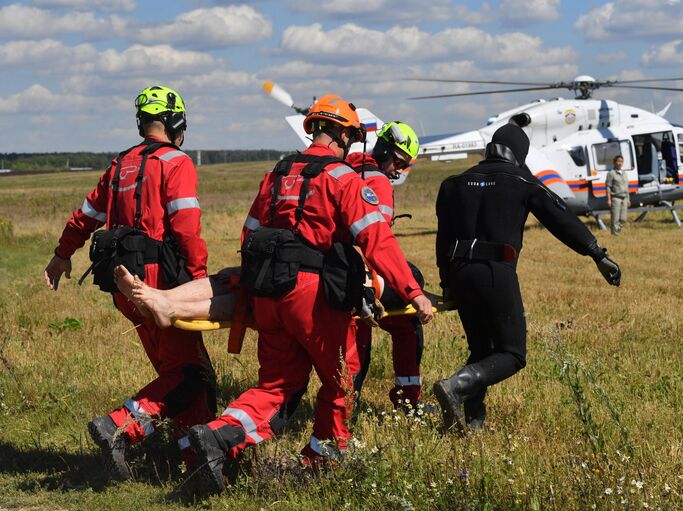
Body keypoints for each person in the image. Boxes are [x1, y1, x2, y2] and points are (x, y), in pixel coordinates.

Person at [187, 94, 433, 493]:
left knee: (276, 385)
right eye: (351, 138)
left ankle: (219, 435)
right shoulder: (342, 178)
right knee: (341, 378)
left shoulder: (279, 172)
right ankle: (324, 460)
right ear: (342, 135)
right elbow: (376, 239)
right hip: (313, 294)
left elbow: (249, 233)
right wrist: (413, 292)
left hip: (267, 292)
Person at [43, 85, 216, 480]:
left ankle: (193, 457)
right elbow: (187, 228)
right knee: (191, 375)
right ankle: (119, 427)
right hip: (160, 286)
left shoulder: (118, 165)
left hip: (123, 287)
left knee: (179, 373)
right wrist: (198, 284)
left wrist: (62, 254)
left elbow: (85, 215)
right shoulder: (177, 163)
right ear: (176, 123)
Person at [433, 122, 621, 432]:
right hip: (496, 271)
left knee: (482, 350)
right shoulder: (521, 180)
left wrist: (446, 282)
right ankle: (456, 385)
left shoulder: (453, 183)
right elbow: (560, 218)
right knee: (511, 353)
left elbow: (443, 239)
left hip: (460, 272)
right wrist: (597, 253)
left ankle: (472, 423)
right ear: (520, 154)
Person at [346, 121, 430, 410]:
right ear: (386, 152)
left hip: (331, 270)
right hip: (359, 276)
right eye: (399, 163)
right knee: (408, 320)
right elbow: (376, 242)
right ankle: (409, 401)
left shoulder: (347, 168)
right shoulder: (378, 182)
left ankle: (344, 408)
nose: (399, 171)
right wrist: (411, 288)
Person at [606, 155, 631, 236]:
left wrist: (628, 199)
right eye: (618, 161)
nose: (620, 163)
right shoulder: (611, 173)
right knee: (615, 217)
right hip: (616, 197)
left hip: (624, 197)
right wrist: (609, 199)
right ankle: (615, 234)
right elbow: (608, 187)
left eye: (621, 161)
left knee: (623, 218)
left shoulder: (624, 173)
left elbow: (627, 187)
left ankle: (617, 230)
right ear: (615, 162)